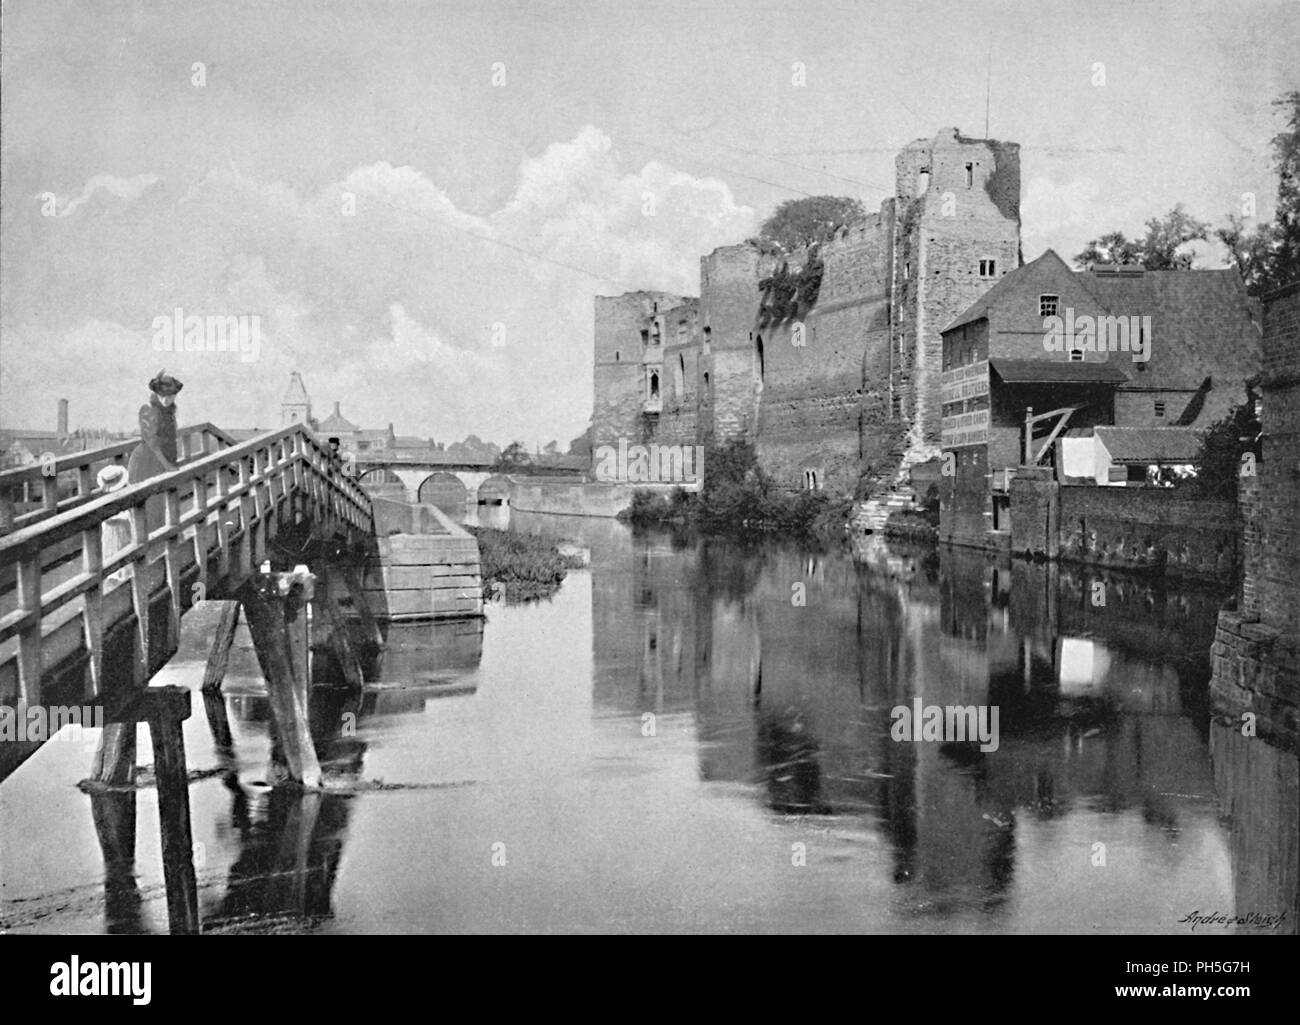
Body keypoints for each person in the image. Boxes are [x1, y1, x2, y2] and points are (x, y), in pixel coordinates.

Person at [126, 370, 183, 536]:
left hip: (162, 461)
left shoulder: (170, 412)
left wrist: (172, 463)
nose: (166, 399)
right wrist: (168, 466)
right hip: (146, 462)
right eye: (162, 395)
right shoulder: (148, 409)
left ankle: (163, 541)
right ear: (156, 394)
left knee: (161, 505)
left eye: (170, 395)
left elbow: (170, 440)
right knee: (150, 506)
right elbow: (153, 443)